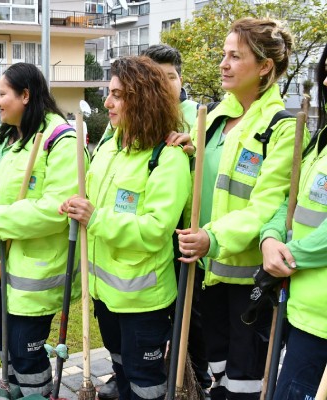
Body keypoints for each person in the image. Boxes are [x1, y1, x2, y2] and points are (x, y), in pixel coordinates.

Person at [172, 18, 302, 400]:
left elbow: (267, 205)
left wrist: (213, 237)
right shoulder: (213, 118)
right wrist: (190, 150)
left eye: (235, 56)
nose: (223, 64)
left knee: (245, 385)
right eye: (223, 55)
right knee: (218, 376)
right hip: (208, 274)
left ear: (265, 67)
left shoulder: (284, 128)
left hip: (249, 282)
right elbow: (208, 176)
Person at [61, 56, 191, 400]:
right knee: (119, 369)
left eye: (117, 95)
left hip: (142, 302)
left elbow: (155, 230)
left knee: (144, 383)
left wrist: (95, 218)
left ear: (142, 98)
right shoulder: (110, 149)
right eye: (109, 93)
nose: (107, 102)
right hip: (104, 295)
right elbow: (90, 196)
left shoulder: (168, 159)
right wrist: (75, 205)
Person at [0, 62, 82, 396]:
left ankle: (36, 394)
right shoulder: (3, 135)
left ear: (25, 95)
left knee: (26, 356)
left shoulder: (61, 140)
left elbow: (60, 207)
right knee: (8, 352)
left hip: (31, 273)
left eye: (1, 94)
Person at [141, 43, 212, 395]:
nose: (164, 84)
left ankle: (196, 375)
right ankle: (152, 366)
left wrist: (192, 152)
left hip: (186, 228)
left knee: (191, 308)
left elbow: (214, 165)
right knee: (156, 305)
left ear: (179, 78)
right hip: (147, 226)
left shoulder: (200, 117)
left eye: (170, 77)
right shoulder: (138, 113)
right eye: (155, 77)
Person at [259, 43, 327, 400]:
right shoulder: (320, 143)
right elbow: (290, 200)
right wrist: (270, 238)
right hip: (300, 309)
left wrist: (287, 255)